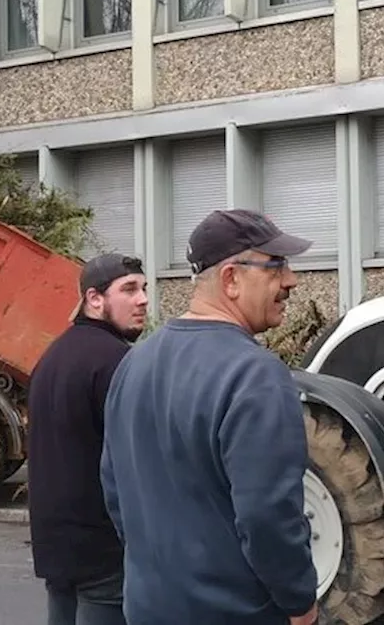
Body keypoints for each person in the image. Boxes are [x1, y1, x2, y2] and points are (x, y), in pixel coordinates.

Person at [100, 209, 318, 625]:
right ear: (231, 279)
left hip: (149, 606)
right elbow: (268, 516)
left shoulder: (134, 363)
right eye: (275, 267)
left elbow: (115, 491)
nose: (290, 281)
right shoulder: (256, 375)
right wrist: (300, 603)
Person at [27, 253, 149, 625]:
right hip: (104, 551)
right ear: (95, 299)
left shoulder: (53, 355)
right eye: (129, 289)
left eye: (144, 288)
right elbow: (135, 462)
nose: (143, 299)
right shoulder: (115, 361)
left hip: (56, 547)